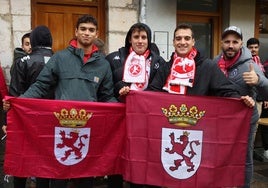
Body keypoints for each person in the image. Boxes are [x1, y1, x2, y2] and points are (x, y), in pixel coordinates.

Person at [4, 14, 117, 188]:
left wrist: (120, 109)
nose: (87, 33)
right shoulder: (60, 58)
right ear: (76, 31)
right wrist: (18, 102)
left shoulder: (103, 64)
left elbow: (107, 96)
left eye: (91, 30)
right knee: (58, 178)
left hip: (88, 130)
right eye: (83, 29)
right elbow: (41, 86)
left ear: (96, 34)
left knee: (85, 179)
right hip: (61, 128)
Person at [106, 22, 165, 188]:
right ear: (129, 40)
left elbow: (161, 89)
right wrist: (119, 88)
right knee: (118, 155)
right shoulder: (113, 59)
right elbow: (106, 87)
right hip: (121, 117)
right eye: (136, 37)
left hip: (146, 119)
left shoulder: (159, 62)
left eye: (144, 37)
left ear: (149, 40)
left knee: (143, 157)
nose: (140, 41)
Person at [214, 26, 268, 188]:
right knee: (220, 155)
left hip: (245, 121)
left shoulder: (250, 65)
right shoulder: (215, 63)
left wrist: (258, 81)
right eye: (227, 41)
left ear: (241, 43)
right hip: (221, 120)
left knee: (244, 158)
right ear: (222, 43)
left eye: (235, 42)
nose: (231, 45)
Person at [3, 25, 54, 188]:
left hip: (25, 118)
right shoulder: (60, 60)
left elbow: (14, 94)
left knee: (23, 157)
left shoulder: (22, 62)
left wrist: (8, 120)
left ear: (34, 41)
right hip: (52, 119)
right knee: (45, 159)